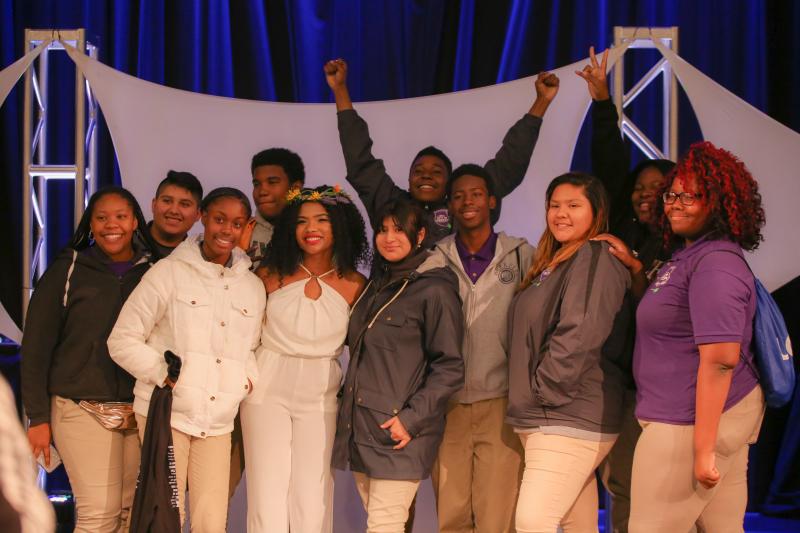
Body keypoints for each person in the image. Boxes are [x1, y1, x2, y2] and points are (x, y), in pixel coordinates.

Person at [627, 142, 766, 532]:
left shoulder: (715, 264)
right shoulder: (690, 256)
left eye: (692, 195)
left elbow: (721, 360)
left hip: (689, 425)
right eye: (672, 194)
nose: (676, 203)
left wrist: (703, 449)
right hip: (690, 420)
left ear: (720, 201)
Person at [108, 187, 265, 531]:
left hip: (219, 421)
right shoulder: (169, 273)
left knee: (211, 520)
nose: (227, 230)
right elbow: (121, 339)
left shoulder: (252, 287)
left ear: (246, 227)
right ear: (203, 218)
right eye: (220, 219)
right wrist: (162, 373)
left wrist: (244, 382)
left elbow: (250, 349)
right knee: (166, 517)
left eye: (237, 223)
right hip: (167, 412)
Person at [575, 46, 676, 532]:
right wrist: (600, 102)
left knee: (672, 485)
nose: (643, 193)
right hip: (625, 382)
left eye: (658, 188)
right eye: (640, 187)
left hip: (675, 387)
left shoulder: (688, 247)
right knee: (623, 482)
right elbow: (611, 165)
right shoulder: (620, 229)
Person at [21, 186, 156, 532]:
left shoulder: (154, 270)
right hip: (80, 408)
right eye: (102, 217)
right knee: (98, 513)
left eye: (121, 216)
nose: (112, 225)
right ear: (91, 224)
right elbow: (36, 348)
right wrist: (38, 418)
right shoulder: (68, 270)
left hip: (139, 410)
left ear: (135, 221)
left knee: (130, 514)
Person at [506, 173, 631, 533]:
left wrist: (545, 392)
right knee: (576, 523)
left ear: (597, 212)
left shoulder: (594, 256)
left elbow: (580, 330)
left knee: (532, 522)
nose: (561, 214)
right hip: (550, 415)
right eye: (555, 205)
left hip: (564, 416)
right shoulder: (558, 261)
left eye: (574, 205)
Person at [241, 185, 369, 533]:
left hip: (321, 391)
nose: (311, 229)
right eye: (302, 222)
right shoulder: (268, 275)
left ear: (339, 225)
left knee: (313, 497)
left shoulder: (357, 284)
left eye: (321, 220)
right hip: (266, 386)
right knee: (267, 493)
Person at [333, 199, 465, 533]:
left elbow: (449, 366)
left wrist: (410, 420)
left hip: (400, 434)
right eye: (383, 229)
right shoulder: (376, 286)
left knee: (384, 526)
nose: (389, 237)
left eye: (399, 230)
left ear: (420, 234)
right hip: (362, 431)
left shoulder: (434, 288)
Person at [324, 58, 559, 243]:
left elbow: (509, 163)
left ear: (449, 184)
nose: (426, 175)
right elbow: (360, 161)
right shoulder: (390, 203)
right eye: (419, 171)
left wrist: (541, 103)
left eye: (436, 171)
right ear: (408, 179)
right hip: (395, 301)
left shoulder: (463, 208)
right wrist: (340, 91)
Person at [424, 164, 534, 532]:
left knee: (497, 513)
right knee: (451, 513)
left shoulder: (520, 256)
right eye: (457, 196)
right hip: (448, 404)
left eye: (475, 194)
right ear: (449, 207)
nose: (466, 201)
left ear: (491, 201)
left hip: (501, 401)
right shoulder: (434, 260)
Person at [244, 147, 306, 267]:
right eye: (257, 184)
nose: (262, 191)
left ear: (295, 189)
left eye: (272, 182)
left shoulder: (313, 231)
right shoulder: (241, 230)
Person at [146, 170, 203, 258]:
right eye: (167, 201)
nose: (174, 211)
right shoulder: (125, 245)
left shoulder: (201, 259)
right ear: (154, 205)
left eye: (185, 204)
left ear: (198, 214)